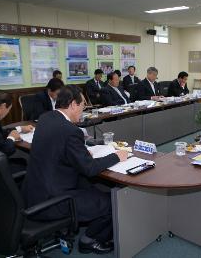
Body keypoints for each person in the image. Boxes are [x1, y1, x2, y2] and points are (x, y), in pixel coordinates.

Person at [22, 85, 128, 254]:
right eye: (82, 105)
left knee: (90, 187)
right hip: (53, 200)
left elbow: (58, 147)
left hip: (33, 191)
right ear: (72, 104)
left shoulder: (45, 118)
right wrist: (117, 156)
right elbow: (89, 168)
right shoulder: (71, 131)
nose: (83, 109)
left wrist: (78, 151)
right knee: (111, 203)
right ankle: (90, 241)